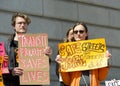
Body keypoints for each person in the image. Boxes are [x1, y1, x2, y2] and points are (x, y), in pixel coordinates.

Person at [3, 12, 52, 86]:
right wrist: (11, 71)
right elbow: (2, 68)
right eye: (20, 23)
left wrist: (47, 56)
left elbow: (44, 66)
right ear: (14, 26)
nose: (22, 25)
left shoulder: (36, 44)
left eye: (25, 23)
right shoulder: (6, 45)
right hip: (13, 83)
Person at [56, 22, 112, 86]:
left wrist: (106, 61)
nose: (78, 34)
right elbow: (67, 81)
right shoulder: (67, 53)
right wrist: (61, 65)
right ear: (73, 34)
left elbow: (101, 77)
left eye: (81, 31)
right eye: (75, 32)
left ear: (86, 33)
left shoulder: (95, 51)